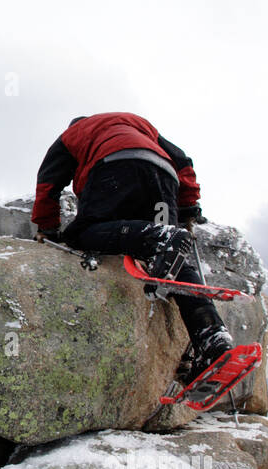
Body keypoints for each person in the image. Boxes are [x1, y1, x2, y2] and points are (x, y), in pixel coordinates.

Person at [31, 111, 233, 383]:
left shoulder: (72, 135)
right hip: (164, 176)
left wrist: (47, 227)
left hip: (113, 169)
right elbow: (183, 160)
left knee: (82, 233)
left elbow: (48, 183)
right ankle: (213, 339)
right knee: (172, 265)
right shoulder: (138, 123)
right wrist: (189, 205)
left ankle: (157, 236)